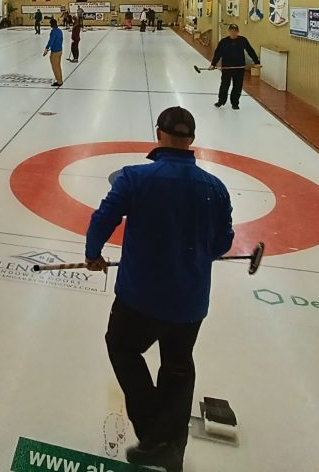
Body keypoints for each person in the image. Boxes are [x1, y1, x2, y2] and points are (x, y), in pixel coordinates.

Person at [84, 106, 235, 472]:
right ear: (191, 140)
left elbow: (103, 217)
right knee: (178, 368)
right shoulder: (216, 188)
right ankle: (174, 449)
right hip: (191, 303)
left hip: (141, 298)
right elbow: (222, 244)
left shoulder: (136, 178)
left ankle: (153, 433)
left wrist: (93, 254)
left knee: (122, 347)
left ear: (159, 134)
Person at [211, 24, 261, 110]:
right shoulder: (223, 42)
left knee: (237, 86)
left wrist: (256, 62)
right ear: (229, 31)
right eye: (231, 31)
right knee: (224, 85)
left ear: (238, 31)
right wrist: (213, 64)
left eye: (235, 31)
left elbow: (250, 50)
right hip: (227, 68)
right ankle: (221, 101)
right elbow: (218, 53)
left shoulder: (243, 40)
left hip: (239, 68)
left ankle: (235, 103)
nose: (233, 33)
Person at [42, 17, 63, 87]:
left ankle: (59, 81)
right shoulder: (60, 31)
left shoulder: (53, 32)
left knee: (55, 67)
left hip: (55, 52)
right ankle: (60, 79)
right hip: (60, 50)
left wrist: (46, 49)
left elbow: (51, 41)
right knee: (58, 66)